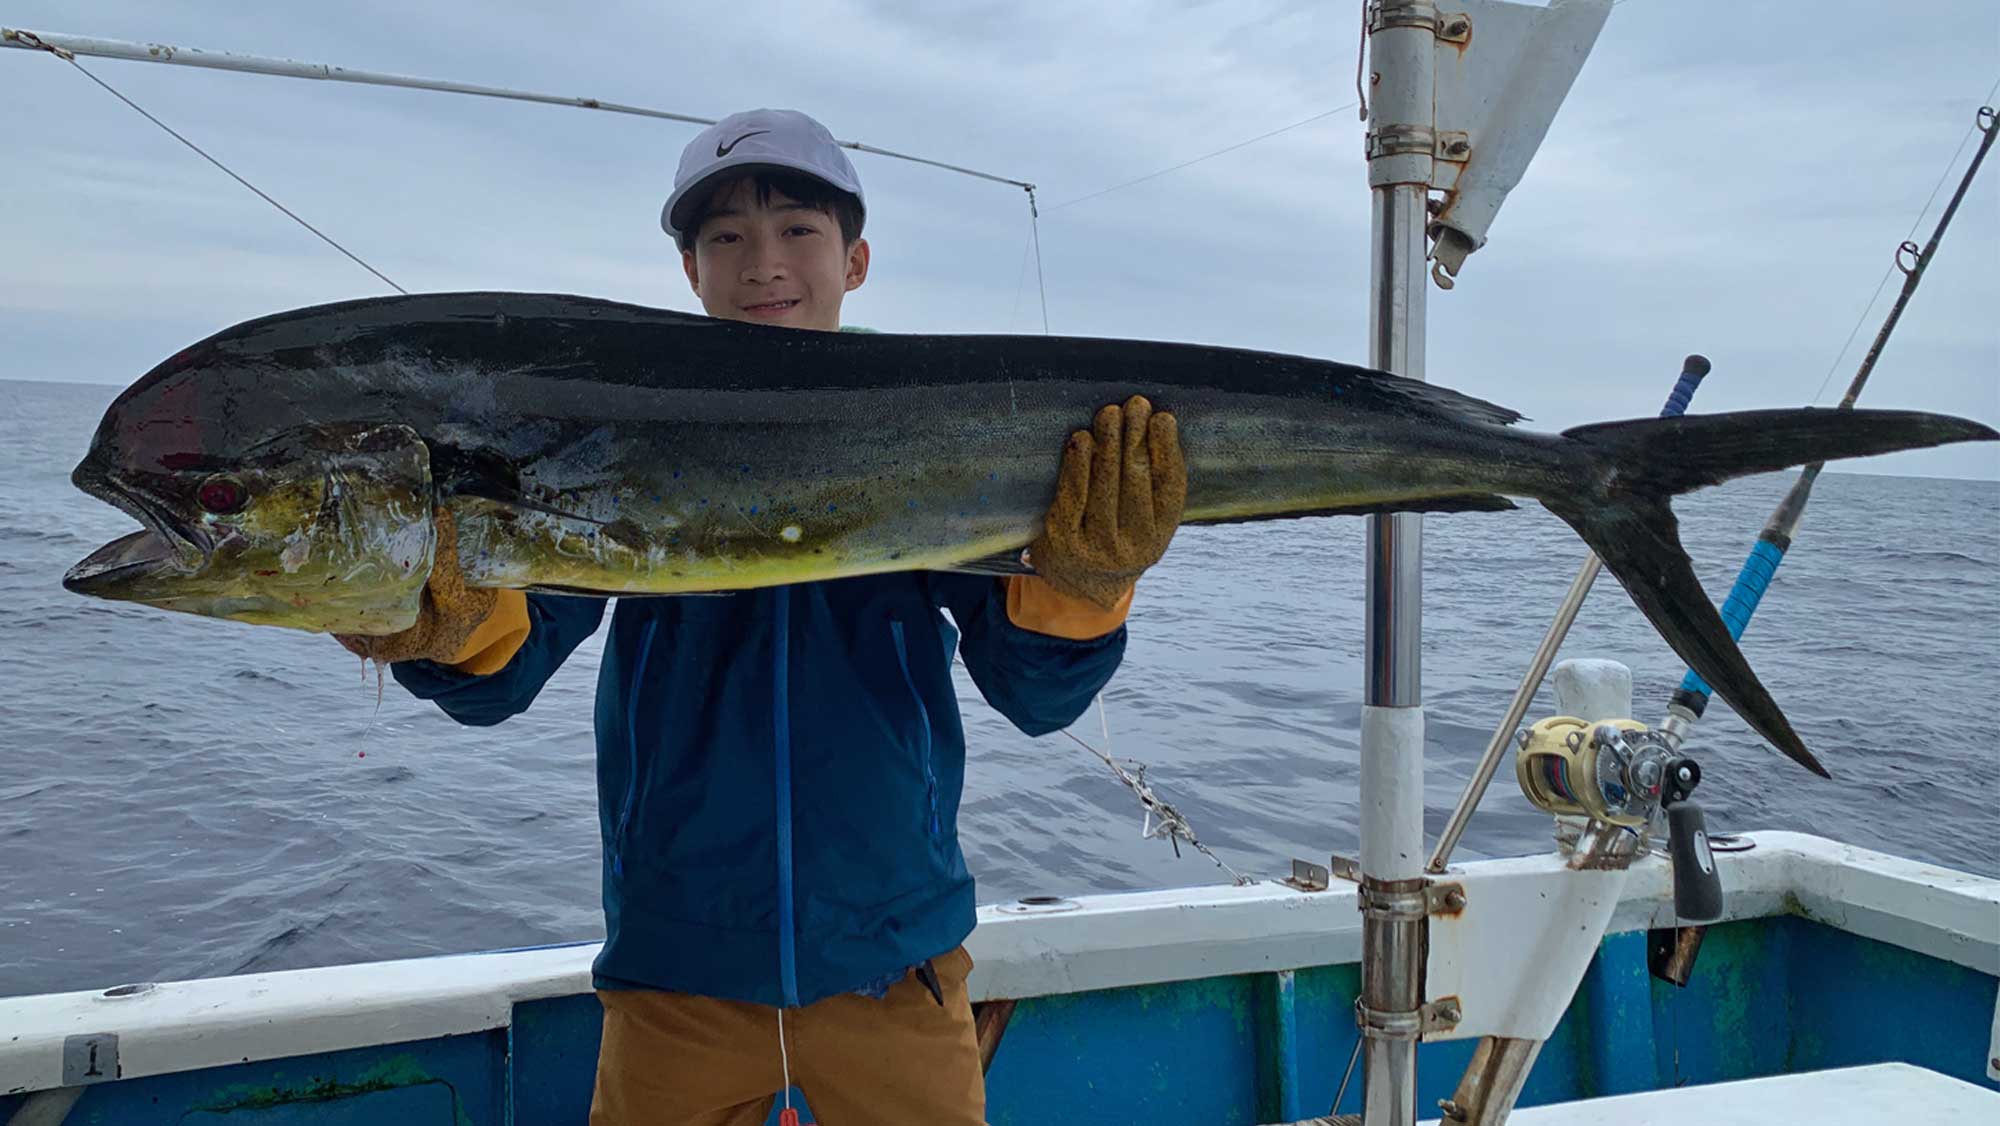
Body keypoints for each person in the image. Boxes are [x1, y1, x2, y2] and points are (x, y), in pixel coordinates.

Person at [340, 108, 1186, 1125]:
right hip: (674, 979)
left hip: (895, 969)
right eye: (725, 239)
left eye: (796, 231)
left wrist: (1082, 582)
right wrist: (451, 627)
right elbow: (505, 678)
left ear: (855, 259)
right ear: (690, 273)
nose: (762, 263)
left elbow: (1034, 691)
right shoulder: (614, 433)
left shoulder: (933, 432)